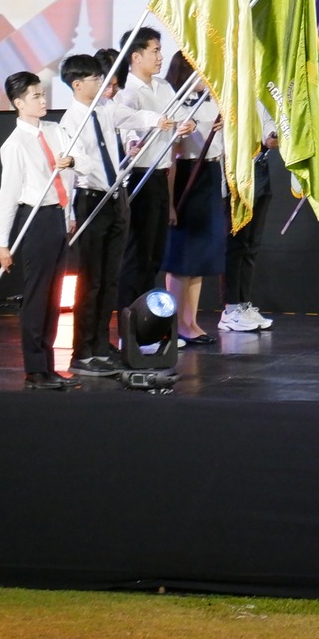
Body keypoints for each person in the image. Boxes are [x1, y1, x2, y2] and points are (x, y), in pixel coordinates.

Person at [58, 53, 173, 378]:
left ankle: (100, 344)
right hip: (92, 200)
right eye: (95, 79)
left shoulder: (106, 108)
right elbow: (76, 164)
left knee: (110, 278)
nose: (101, 83)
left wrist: (156, 120)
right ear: (77, 84)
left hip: (116, 199)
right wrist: (71, 212)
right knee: (90, 281)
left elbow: (132, 117)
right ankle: (82, 352)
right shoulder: (70, 121)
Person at [0, 71, 78, 391]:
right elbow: (8, 195)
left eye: (43, 94)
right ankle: (34, 369)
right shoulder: (14, 145)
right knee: (38, 295)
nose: (43, 101)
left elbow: (74, 167)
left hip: (58, 216)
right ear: (19, 103)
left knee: (55, 296)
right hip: (36, 219)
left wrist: (71, 162)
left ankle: (50, 365)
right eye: (36, 96)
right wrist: (2, 242)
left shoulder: (55, 131)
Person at [162, 54, 225, 346]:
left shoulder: (211, 100)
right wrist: (170, 203)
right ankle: (174, 323)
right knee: (182, 256)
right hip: (188, 174)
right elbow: (172, 156)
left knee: (200, 257)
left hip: (210, 174)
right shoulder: (176, 104)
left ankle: (191, 321)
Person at [113, 28, 176, 307]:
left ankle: (147, 315)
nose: (160, 57)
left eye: (160, 50)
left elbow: (179, 117)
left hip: (161, 173)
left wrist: (187, 124)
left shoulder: (163, 87)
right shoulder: (126, 91)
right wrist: (132, 142)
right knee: (138, 251)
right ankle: (131, 316)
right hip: (140, 175)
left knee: (154, 252)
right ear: (136, 57)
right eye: (155, 51)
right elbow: (127, 125)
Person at [218, 127, 278, 334]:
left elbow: (268, 125)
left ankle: (243, 305)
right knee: (237, 242)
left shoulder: (263, 103)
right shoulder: (233, 104)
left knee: (252, 244)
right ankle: (230, 309)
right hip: (237, 170)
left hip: (260, 169)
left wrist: (270, 137)